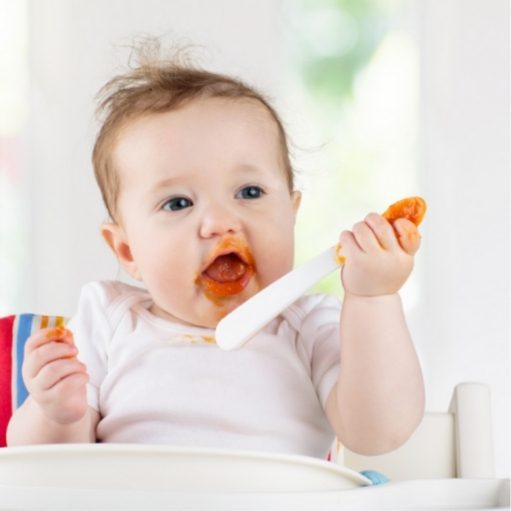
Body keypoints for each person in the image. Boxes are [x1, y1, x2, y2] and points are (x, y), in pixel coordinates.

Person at [7, 43, 425, 458]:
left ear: (291, 215)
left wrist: (374, 299)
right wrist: (56, 414)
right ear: (127, 250)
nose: (220, 222)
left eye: (249, 191)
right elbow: (43, 469)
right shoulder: (109, 322)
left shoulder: (309, 328)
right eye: (178, 203)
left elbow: (379, 434)